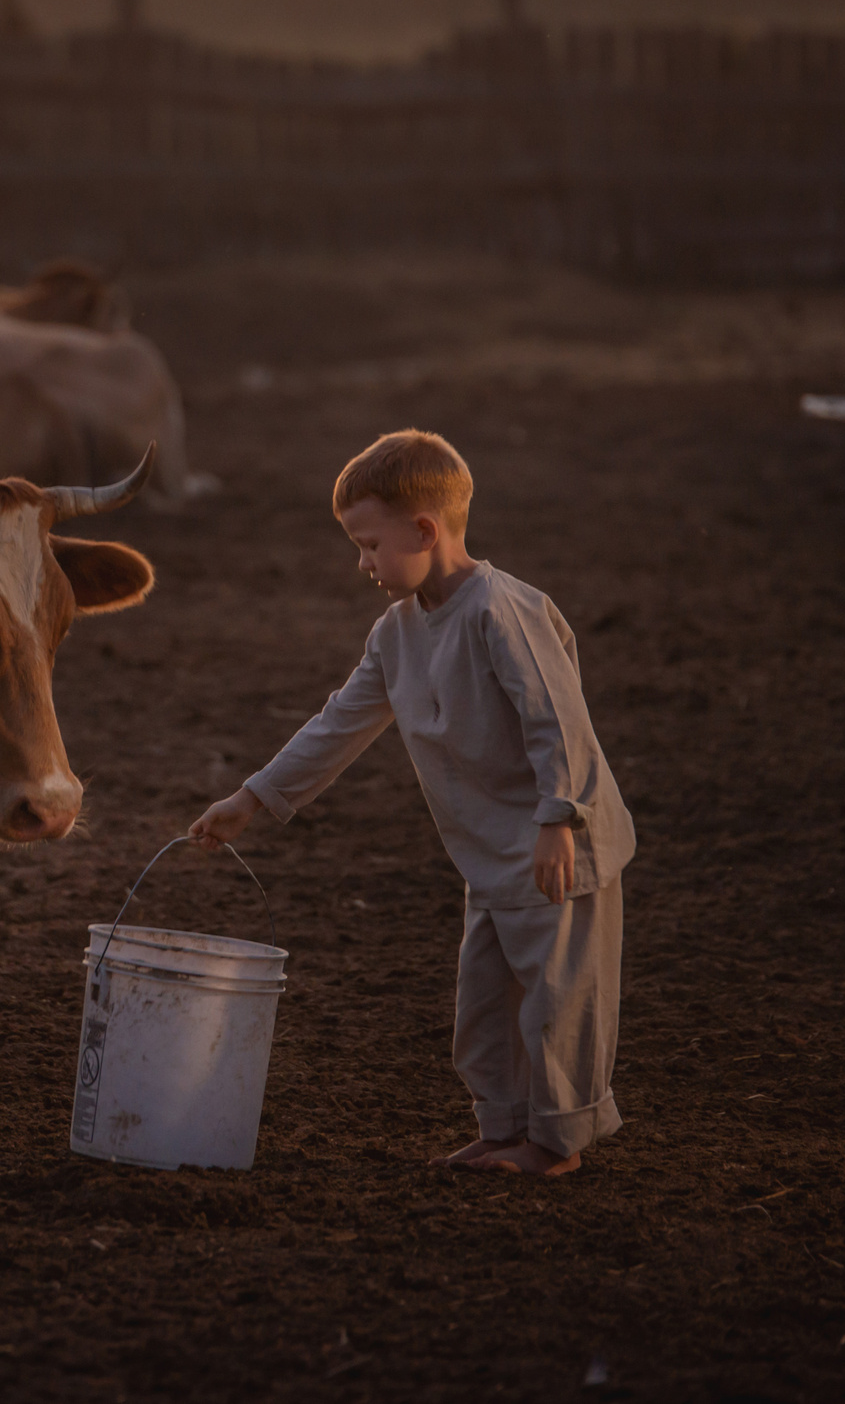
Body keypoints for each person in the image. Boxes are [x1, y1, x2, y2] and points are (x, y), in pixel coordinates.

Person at [188, 429, 634, 1176]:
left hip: (558, 847)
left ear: (425, 531)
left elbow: (556, 719)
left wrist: (560, 817)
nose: (362, 563)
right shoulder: (396, 632)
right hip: (489, 855)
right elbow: (339, 722)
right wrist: (252, 797)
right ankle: (503, 1128)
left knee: (558, 1001)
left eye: (369, 545)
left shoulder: (501, 610)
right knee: (484, 1005)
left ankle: (557, 1143)